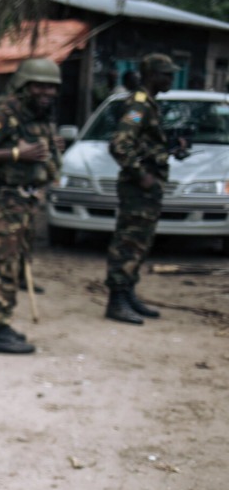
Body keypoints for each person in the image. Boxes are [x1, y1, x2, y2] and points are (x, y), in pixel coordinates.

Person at [0, 59, 63, 354]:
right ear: (24, 86)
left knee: (14, 267)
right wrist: (16, 153)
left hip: (26, 202)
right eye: (40, 86)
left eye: (51, 87)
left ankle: (4, 323)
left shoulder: (40, 115)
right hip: (4, 202)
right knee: (1, 266)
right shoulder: (4, 113)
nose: (47, 92)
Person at [104, 54, 177, 324]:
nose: (170, 80)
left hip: (148, 187)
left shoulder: (150, 105)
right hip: (138, 188)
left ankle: (128, 293)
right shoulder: (138, 105)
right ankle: (117, 300)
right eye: (166, 74)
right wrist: (141, 175)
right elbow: (119, 144)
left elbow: (144, 144)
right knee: (128, 242)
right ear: (152, 75)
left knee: (140, 243)